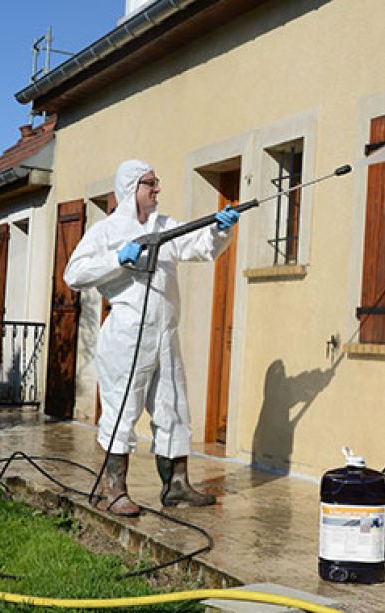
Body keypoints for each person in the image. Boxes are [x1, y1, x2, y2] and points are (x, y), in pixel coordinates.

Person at [64, 159, 240, 517]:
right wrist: (118, 258)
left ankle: (176, 487)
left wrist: (220, 231)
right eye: (150, 183)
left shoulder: (165, 226)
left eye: (156, 182)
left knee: (173, 407)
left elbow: (200, 247)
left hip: (165, 333)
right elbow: (75, 274)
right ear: (131, 188)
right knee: (122, 408)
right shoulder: (106, 231)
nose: (157, 189)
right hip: (127, 335)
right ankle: (115, 491)